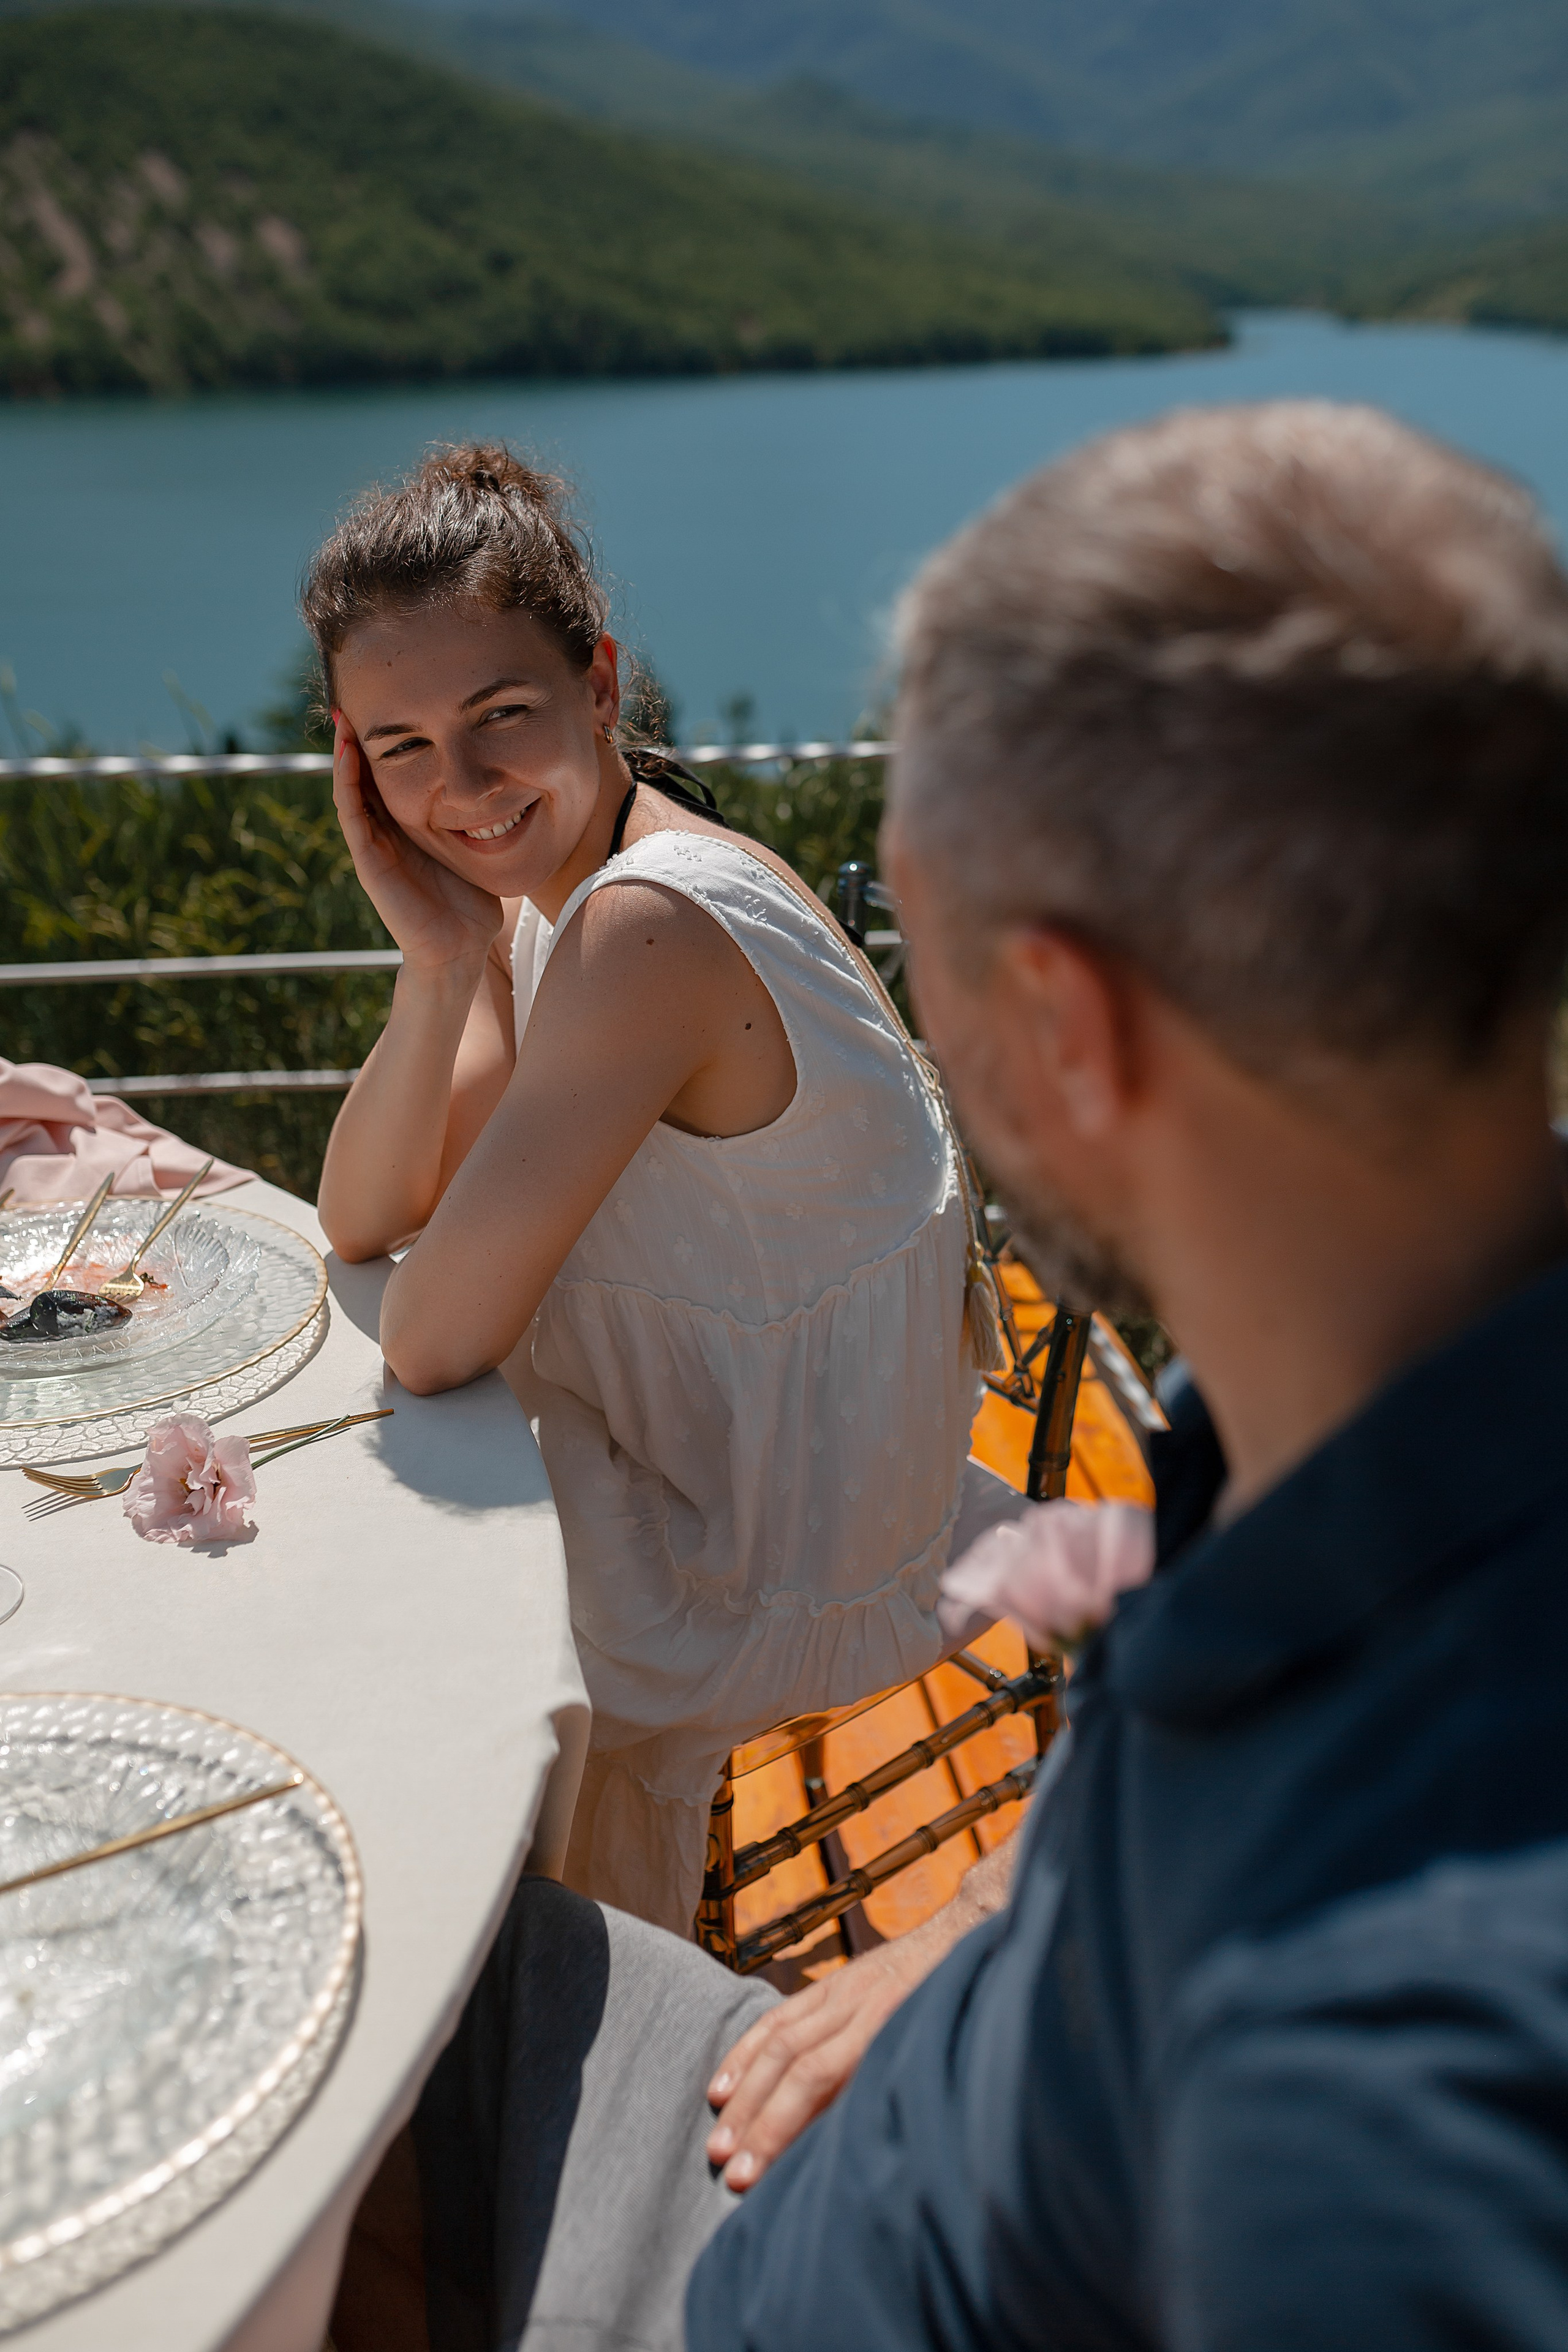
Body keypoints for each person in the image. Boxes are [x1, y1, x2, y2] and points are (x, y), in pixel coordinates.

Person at [347, 394, 1568, 2352]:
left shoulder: (1373, 2093)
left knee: (324, 2115)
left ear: (1065, 1026)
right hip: (920, 2075)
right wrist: (998, 1921)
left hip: (757, 2279)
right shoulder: (1331, 1403)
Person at [306, 445, 980, 1934]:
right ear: (349, 758)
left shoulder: (645, 930)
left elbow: (426, 1334)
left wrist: (465, 950)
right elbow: (363, 1210)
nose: (459, 790)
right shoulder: (560, 899)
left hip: (780, 1556)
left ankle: (504, 2041)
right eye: (400, 748)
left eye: (500, 719)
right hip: (771, 1468)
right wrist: (438, 962)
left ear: (598, 686)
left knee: (373, 1617)